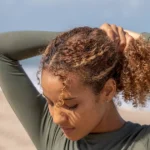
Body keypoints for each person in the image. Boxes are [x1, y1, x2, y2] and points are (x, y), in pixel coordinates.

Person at [0, 23, 150, 150]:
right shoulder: (52, 134)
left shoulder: (143, 143)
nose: (57, 118)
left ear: (108, 91)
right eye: (50, 102)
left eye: (71, 105)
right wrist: (77, 42)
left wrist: (139, 42)